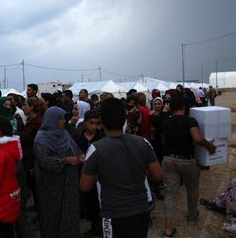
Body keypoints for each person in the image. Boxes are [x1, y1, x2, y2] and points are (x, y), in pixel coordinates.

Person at [80, 98, 162, 238]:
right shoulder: (143, 142)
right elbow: (158, 176)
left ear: (102, 122)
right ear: (124, 120)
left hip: (113, 213)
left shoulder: (96, 148)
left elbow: (85, 186)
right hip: (141, 210)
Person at [161, 96, 216, 237]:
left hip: (168, 160)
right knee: (192, 189)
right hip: (187, 161)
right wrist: (210, 146)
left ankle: (168, 228)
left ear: (171, 108)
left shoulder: (166, 122)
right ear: (184, 108)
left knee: (170, 193)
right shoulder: (190, 120)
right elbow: (197, 139)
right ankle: (192, 216)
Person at [34, 106, 84, 238]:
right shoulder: (41, 139)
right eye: (61, 119)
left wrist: (82, 156)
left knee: (69, 215)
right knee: (52, 217)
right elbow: (44, 161)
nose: (64, 121)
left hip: (69, 185)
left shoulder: (64, 133)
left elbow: (75, 148)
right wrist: (66, 160)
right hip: (51, 187)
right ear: (53, 120)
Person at [74, 110, 104, 238]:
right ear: (85, 123)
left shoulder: (101, 138)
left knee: (97, 202)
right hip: (82, 175)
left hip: (98, 177)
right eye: (91, 123)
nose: (94, 126)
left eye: (96, 123)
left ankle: (97, 227)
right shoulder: (78, 138)